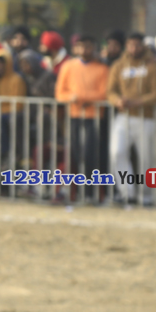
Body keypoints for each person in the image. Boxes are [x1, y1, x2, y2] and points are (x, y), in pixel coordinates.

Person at [106, 33, 156, 204]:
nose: (134, 49)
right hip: (123, 116)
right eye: (130, 45)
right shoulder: (119, 65)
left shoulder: (153, 66)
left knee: (146, 158)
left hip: (146, 118)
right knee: (117, 152)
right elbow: (110, 90)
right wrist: (117, 100)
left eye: (137, 45)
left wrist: (137, 102)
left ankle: (146, 196)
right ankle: (127, 193)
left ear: (143, 46)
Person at [55, 35, 110, 194]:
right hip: (74, 115)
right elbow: (60, 93)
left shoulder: (102, 69)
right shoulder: (68, 66)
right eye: (81, 46)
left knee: (91, 154)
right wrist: (72, 98)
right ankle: (78, 190)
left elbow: (104, 93)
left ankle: (90, 191)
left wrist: (82, 98)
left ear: (94, 48)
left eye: (88, 46)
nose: (84, 50)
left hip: (94, 117)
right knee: (76, 153)